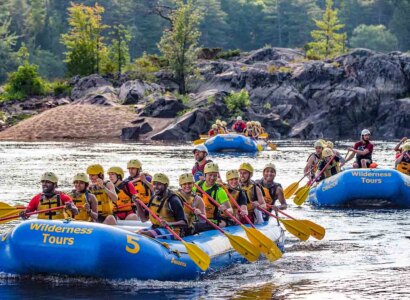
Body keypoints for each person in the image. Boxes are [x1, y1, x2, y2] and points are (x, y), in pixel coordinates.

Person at [137, 173, 187, 239]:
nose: (156, 186)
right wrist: (137, 204)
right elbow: (143, 219)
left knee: (144, 234)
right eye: (154, 184)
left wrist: (169, 224)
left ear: (166, 185)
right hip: (155, 227)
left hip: (173, 230)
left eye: (159, 184)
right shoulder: (153, 198)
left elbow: (184, 222)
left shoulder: (173, 200)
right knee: (137, 234)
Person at [194, 162, 233, 232]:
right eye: (210, 175)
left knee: (197, 226)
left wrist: (225, 210)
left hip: (213, 220)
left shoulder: (220, 191)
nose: (212, 178)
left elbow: (231, 210)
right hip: (199, 218)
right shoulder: (197, 185)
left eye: (215, 175)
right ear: (205, 175)